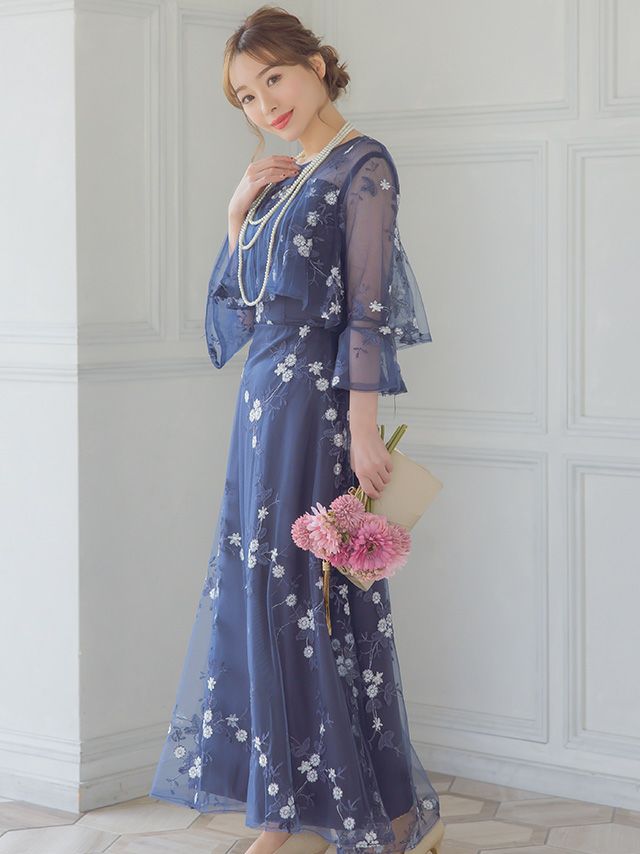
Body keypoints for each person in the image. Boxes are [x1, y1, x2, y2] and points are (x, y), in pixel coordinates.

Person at [150, 6, 444, 854]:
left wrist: (363, 428)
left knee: (314, 600)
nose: (264, 104)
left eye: (273, 78)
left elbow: (367, 312)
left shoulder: (362, 165)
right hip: (260, 412)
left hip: (318, 413)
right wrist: (236, 214)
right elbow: (241, 311)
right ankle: (291, 810)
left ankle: (365, 816)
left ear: (315, 65)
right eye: (246, 96)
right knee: (263, 597)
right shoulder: (280, 173)